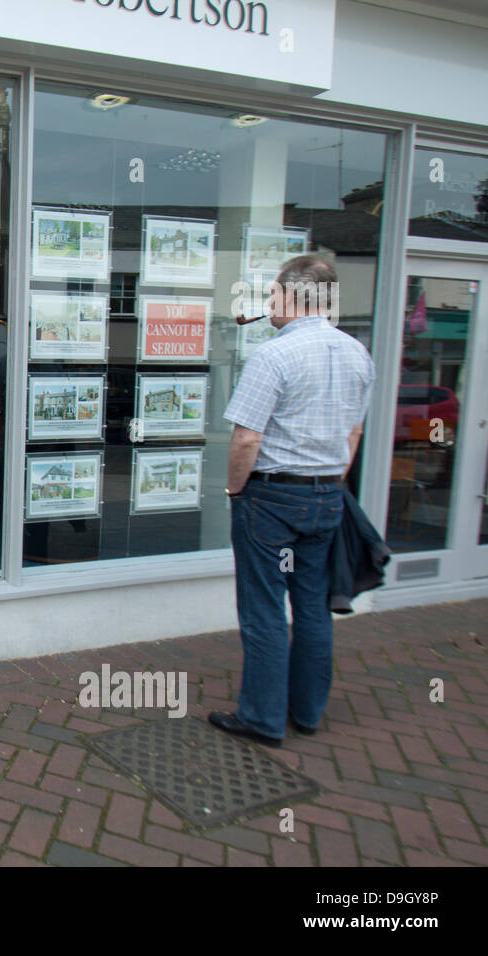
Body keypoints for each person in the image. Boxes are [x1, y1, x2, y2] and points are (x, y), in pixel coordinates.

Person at [210, 254, 375, 748]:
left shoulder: (273, 355)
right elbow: (354, 432)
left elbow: (245, 440)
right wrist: (329, 483)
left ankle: (261, 717)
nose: (268, 304)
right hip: (326, 496)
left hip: (271, 497)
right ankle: (307, 712)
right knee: (312, 607)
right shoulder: (356, 354)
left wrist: (236, 490)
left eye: (273, 294)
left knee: (263, 607)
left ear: (294, 296)